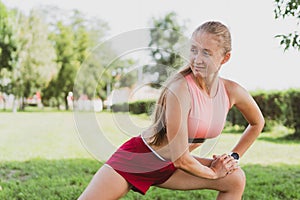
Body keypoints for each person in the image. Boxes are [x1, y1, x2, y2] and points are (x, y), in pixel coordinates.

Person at [78, 21, 265, 200]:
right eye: (194, 50)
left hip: (171, 167)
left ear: (225, 58)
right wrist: (214, 173)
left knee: (235, 179)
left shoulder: (231, 91)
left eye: (206, 53)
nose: (197, 59)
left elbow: (257, 123)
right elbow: (181, 159)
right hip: (138, 159)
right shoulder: (181, 89)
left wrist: (232, 157)